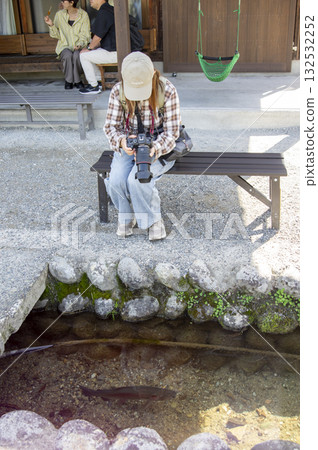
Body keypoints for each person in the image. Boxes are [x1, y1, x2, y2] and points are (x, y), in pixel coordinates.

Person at [104, 52, 181, 241]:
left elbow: (172, 133)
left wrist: (155, 148)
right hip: (129, 143)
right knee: (115, 180)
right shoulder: (118, 91)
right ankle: (126, 217)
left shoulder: (167, 91)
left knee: (139, 179)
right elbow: (111, 127)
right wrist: (122, 141)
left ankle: (153, 221)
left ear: (153, 75)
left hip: (158, 145)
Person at [44, 0, 90, 90]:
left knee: (77, 55)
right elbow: (56, 35)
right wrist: (51, 25)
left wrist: (80, 44)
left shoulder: (83, 15)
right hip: (64, 45)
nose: (61, 3)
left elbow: (86, 34)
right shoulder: (59, 15)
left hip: (79, 45)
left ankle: (77, 80)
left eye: (64, 1)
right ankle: (69, 80)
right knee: (68, 55)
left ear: (71, 2)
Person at [79, 0, 117, 94]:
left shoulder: (104, 12)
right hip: (121, 50)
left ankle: (94, 86)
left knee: (83, 55)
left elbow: (98, 37)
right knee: (90, 53)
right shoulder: (110, 9)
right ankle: (99, 81)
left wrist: (88, 48)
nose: (90, 0)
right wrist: (91, 47)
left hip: (116, 53)